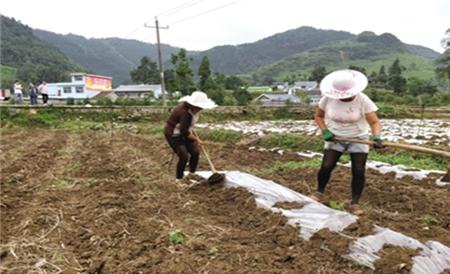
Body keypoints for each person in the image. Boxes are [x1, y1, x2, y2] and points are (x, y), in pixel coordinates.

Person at [310, 69, 382, 215]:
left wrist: (376, 137)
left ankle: (354, 203)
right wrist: (325, 131)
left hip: (358, 137)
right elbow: (318, 116)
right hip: (335, 136)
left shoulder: (363, 100)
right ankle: (319, 193)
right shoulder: (328, 98)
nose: (345, 98)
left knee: (358, 170)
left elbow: (374, 122)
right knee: (326, 166)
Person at [164, 91, 217, 182]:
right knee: (184, 155)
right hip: (174, 134)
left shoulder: (193, 111)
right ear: (193, 105)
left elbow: (187, 127)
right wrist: (197, 139)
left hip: (185, 132)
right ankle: (179, 179)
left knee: (195, 152)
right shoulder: (184, 112)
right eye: (199, 107)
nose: (201, 109)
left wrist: (192, 134)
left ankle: (192, 174)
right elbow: (184, 132)